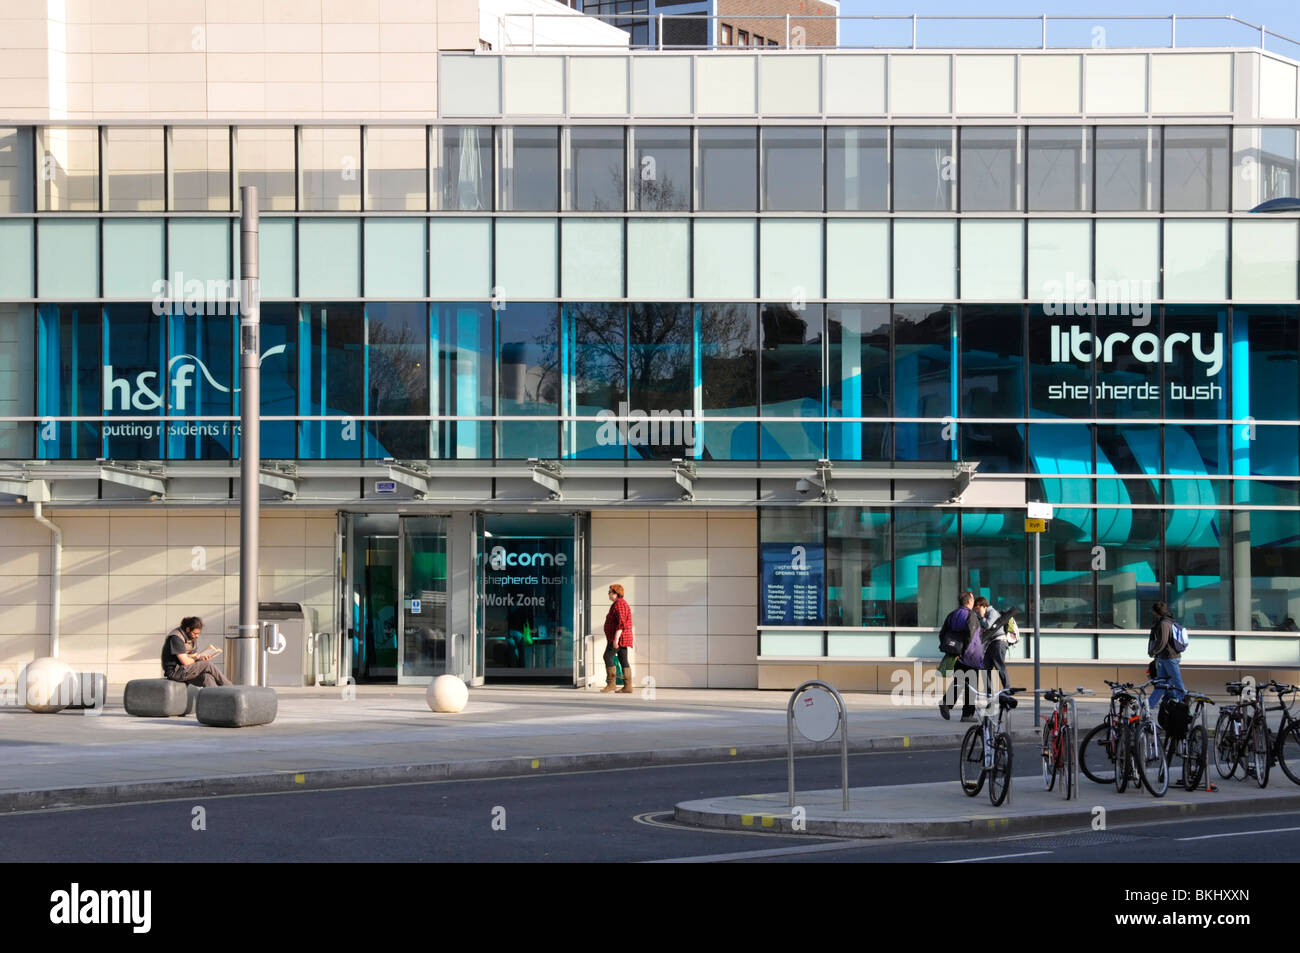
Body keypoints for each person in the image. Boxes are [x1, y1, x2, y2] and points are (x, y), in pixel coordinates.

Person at [939, 592, 984, 722]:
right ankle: (967, 715)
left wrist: (952, 651)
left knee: (959, 681)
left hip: (955, 655)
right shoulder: (971, 616)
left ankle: (947, 703)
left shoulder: (952, 615)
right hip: (970, 656)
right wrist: (964, 651)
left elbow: (942, 634)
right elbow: (971, 637)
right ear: (969, 602)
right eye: (973, 599)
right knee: (972, 685)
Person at [161, 616, 231, 687]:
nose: (197, 636)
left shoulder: (191, 638)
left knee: (207, 677)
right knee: (207, 664)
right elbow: (186, 662)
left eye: (198, 633)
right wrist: (197, 659)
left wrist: (201, 658)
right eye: (195, 633)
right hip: (175, 672)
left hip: (185, 670)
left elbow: (192, 657)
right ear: (188, 629)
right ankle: (230, 688)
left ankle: (217, 696)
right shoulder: (176, 638)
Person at [1146, 602, 1186, 711]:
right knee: (1161, 684)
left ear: (1155, 611)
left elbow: (1162, 641)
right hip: (1165, 657)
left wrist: (1154, 651)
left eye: (1153, 611)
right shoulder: (1165, 621)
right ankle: (1148, 707)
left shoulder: (1164, 623)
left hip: (1170, 657)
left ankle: (1185, 706)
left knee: (1177, 683)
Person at [601, 584, 634, 695]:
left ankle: (611, 684)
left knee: (607, 656)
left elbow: (621, 623)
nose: (608, 594)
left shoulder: (619, 604)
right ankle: (628, 687)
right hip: (622, 637)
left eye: (610, 591)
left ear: (616, 593)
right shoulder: (618, 604)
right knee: (623, 660)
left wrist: (616, 639)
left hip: (619, 638)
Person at [977, 598, 1011, 693]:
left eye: (978, 608)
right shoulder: (987, 614)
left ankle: (1007, 690)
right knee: (984, 666)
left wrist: (981, 617)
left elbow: (987, 625)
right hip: (992, 643)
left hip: (999, 642)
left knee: (999, 666)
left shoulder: (992, 612)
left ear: (983, 606)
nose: (977, 611)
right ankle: (989, 693)